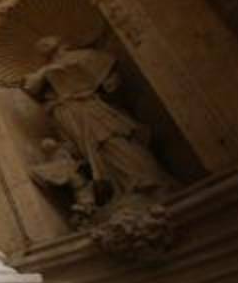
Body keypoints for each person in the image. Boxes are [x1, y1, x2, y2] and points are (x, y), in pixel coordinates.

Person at [21, 36, 173, 203]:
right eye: (39, 44)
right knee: (94, 151)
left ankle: (145, 180)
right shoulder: (44, 71)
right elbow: (30, 86)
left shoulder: (83, 55)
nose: (41, 43)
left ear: (59, 41)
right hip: (73, 115)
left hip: (91, 107)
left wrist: (109, 83)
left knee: (113, 140)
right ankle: (122, 189)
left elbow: (109, 77)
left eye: (46, 40)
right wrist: (46, 71)